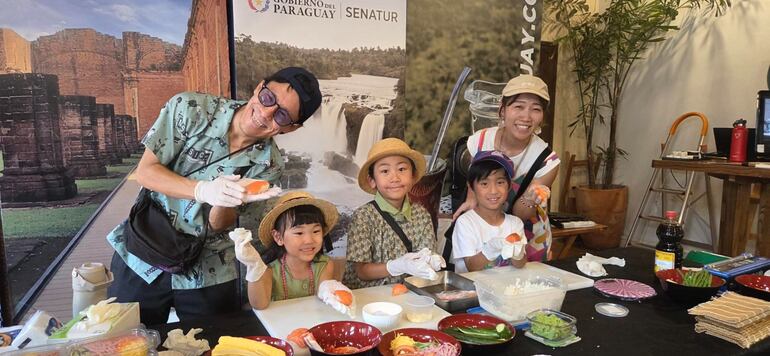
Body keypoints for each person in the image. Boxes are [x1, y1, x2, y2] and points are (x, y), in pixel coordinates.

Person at [106, 67, 322, 325]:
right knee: (128, 338)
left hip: (208, 270)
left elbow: (219, 225)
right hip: (145, 253)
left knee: (213, 342)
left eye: (282, 115)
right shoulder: (191, 109)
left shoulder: (270, 165)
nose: (266, 113)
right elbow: (146, 173)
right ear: (259, 87)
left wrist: (228, 199)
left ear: (291, 128)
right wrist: (203, 190)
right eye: (268, 98)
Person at [453, 74, 560, 262]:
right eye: (518, 106)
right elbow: (475, 177)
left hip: (527, 235)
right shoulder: (479, 141)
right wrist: (471, 198)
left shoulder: (547, 161)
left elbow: (520, 214)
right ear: (502, 110)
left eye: (536, 109)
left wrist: (530, 197)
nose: (526, 116)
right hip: (486, 229)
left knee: (522, 278)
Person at [343, 138, 445, 290]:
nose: (395, 178)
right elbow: (362, 272)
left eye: (402, 169)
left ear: (413, 176)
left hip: (409, 294)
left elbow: (425, 257)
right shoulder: (363, 217)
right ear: (372, 180)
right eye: (385, 171)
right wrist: (397, 266)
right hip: (370, 297)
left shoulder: (422, 215)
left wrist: (431, 261)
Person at [230, 191, 353, 316]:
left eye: (316, 231)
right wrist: (254, 265)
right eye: (299, 233)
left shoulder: (325, 264)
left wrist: (330, 291)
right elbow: (259, 304)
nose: (309, 240)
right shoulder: (268, 271)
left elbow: (323, 298)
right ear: (278, 237)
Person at [451, 151, 527, 272]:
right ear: (471, 187)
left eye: (500, 182)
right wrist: (490, 249)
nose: (493, 191)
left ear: (509, 186)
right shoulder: (466, 222)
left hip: (507, 283)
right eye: (484, 183)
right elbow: (471, 266)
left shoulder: (515, 223)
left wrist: (516, 252)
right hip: (473, 284)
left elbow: (520, 264)